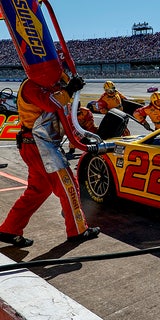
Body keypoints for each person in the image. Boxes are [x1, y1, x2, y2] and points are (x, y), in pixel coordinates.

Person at [0, 73, 101, 247]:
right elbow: (49, 104)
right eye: (60, 82)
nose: (60, 85)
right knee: (69, 186)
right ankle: (77, 230)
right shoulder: (32, 85)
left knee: (38, 190)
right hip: (40, 145)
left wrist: (83, 139)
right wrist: (68, 90)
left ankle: (10, 229)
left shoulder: (53, 91)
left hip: (38, 145)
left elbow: (64, 120)